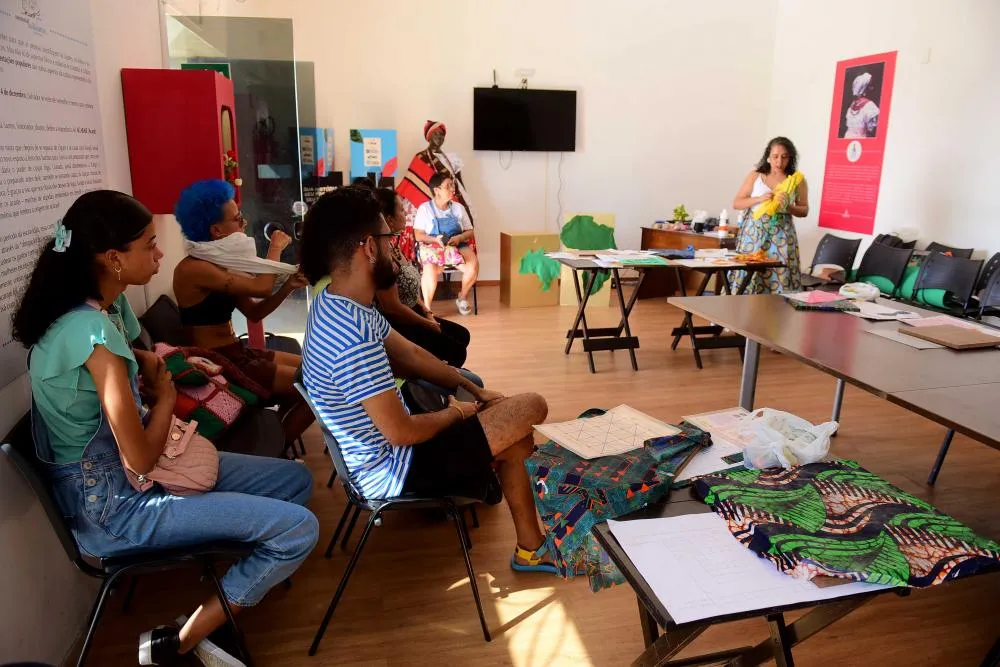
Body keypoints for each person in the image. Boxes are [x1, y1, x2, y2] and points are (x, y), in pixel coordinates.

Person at [11, 190, 319, 666]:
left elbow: (141, 366)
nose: (159, 255)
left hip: (137, 474)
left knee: (295, 480)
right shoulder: (91, 336)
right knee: (300, 529)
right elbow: (139, 456)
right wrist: (169, 395)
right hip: (117, 507)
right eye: (150, 245)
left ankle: (225, 602)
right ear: (114, 258)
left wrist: (156, 373)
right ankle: (182, 640)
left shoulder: (101, 312)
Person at [298, 186, 560, 574]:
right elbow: (401, 432)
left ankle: (530, 548)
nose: (395, 246)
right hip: (394, 470)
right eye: (389, 238)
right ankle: (526, 542)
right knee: (531, 406)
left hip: (391, 455)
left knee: (516, 430)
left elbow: (413, 355)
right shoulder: (350, 333)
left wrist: (474, 389)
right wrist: (458, 412)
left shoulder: (339, 302)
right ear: (368, 247)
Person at [173, 179, 313, 443]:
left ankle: (275, 437)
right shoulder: (194, 269)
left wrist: (287, 288)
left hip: (237, 352)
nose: (244, 224)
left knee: (314, 370)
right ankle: (276, 453)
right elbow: (261, 288)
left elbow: (254, 313)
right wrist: (274, 249)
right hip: (218, 363)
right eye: (237, 219)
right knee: (318, 389)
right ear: (216, 230)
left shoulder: (219, 262)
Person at [373, 187, 471, 367]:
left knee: (462, 335)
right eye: (401, 210)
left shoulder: (394, 247)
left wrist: (426, 311)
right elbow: (393, 308)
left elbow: (409, 289)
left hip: (415, 312)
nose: (406, 215)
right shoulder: (381, 257)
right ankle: (439, 387)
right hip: (399, 324)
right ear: (389, 220)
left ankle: (442, 380)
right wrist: (427, 324)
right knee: (456, 350)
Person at [730, 137, 810, 294]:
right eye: (775, 156)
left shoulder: (796, 180)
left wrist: (788, 207)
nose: (779, 161)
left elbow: (804, 210)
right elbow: (737, 203)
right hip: (754, 234)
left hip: (782, 234)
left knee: (779, 274)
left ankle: (778, 315)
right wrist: (760, 199)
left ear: (790, 158)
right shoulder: (756, 175)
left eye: (784, 157)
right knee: (749, 274)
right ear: (768, 156)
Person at [396, 120, 475, 263]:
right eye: (436, 135)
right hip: (426, 205)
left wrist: (465, 202)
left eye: (442, 135)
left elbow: (458, 183)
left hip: (449, 202)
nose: (440, 138)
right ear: (429, 137)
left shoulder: (451, 159)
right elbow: (412, 182)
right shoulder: (420, 157)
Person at [412, 173, 479, 315]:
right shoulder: (425, 209)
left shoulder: (458, 208)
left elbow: (470, 231)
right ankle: (427, 309)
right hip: (432, 245)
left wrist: (460, 237)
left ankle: (462, 297)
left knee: (472, 264)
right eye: (448, 186)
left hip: (456, 243)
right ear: (437, 190)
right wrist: (434, 240)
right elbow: (418, 235)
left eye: (452, 185)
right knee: (430, 269)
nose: (452, 189)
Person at [843, 72, 880, 139]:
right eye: (870, 86)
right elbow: (872, 130)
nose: (873, 88)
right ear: (864, 88)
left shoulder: (852, 104)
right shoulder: (870, 106)